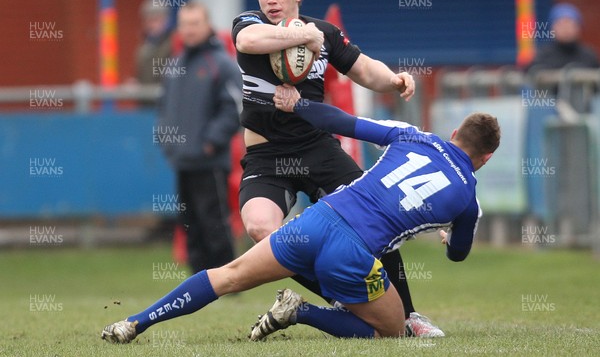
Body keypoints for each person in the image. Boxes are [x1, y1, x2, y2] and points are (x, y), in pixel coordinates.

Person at [101, 84, 500, 344]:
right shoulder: (468, 198)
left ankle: (135, 322)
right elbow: (459, 254)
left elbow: (344, 122)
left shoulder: (413, 135)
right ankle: (301, 311)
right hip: (354, 254)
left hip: (316, 219)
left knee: (230, 275)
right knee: (392, 332)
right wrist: (448, 235)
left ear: (453, 135)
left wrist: (299, 103)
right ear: (485, 158)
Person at [233, 0, 441, 336]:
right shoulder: (250, 24)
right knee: (261, 229)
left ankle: (409, 314)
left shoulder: (324, 33)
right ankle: (343, 299)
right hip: (267, 155)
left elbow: (362, 68)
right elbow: (247, 42)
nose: (271, 0)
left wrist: (394, 80)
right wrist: (303, 37)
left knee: (375, 217)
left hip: (317, 148)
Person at [156, 2, 242, 274]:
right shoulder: (174, 65)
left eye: (195, 23)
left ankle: (228, 280)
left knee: (214, 221)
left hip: (210, 161)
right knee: (189, 223)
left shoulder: (221, 64)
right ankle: (198, 282)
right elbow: (165, 108)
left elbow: (235, 108)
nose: (189, 30)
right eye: (184, 24)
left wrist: (210, 141)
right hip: (182, 161)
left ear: (207, 26)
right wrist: (167, 141)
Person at [528, 3, 599, 72]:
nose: (566, 29)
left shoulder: (589, 56)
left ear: (579, 27)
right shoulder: (542, 56)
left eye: (570, 24)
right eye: (561, 24)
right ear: (552, 28)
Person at [135, 0, 175, 86]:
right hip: (146, 98)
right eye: (148, 20)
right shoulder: (144, 46)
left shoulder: (174, 43)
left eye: (155, 20)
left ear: (166, 20)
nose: (151, 25)